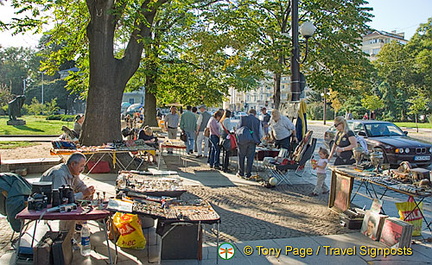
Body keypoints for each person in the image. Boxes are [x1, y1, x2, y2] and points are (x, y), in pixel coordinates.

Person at [39, 153, 95, 264]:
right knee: (69, 211)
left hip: (59, 199)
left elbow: (80, 185)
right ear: (73, 164)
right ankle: (65, 240)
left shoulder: (72, 172)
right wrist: (83, 194)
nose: (83, 169)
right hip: (48, 203)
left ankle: (76, 228)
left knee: (86, 200)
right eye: (81, 166)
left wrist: (88, 190)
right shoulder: (60, 173)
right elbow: (62, 199)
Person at [236, 109, 262, 179]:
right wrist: (259, 140)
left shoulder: (243, 118)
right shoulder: (257, 121)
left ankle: (241, 172)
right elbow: (260, 132)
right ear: (255, 114)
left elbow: (237, 129)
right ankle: (248, 174)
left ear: (248, 113)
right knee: (250, 158)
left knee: (241, 156)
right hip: (252, 141)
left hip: (242, 141)